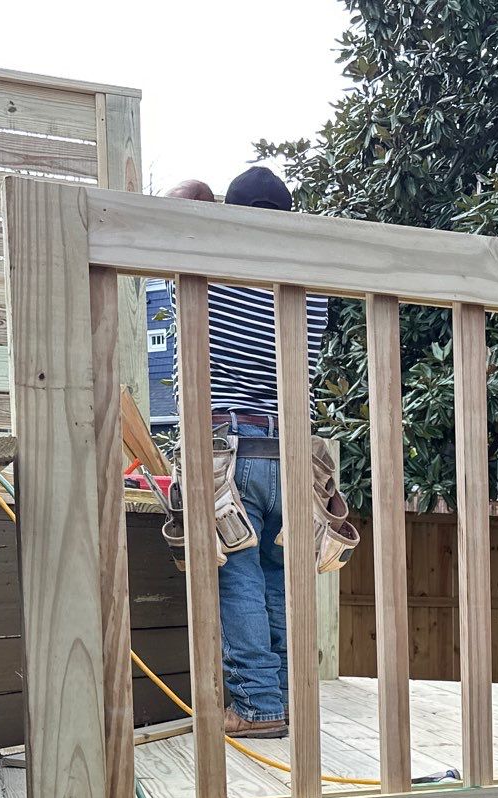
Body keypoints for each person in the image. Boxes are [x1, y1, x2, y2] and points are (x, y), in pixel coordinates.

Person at [202, 166, 333, 738]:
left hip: (233, 451)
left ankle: (256, 707)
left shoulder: (210, 273)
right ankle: (282, 700)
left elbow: (181, 201)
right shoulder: (308, 287)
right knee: (279, 578)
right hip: (294, 454)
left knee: (238, 577)